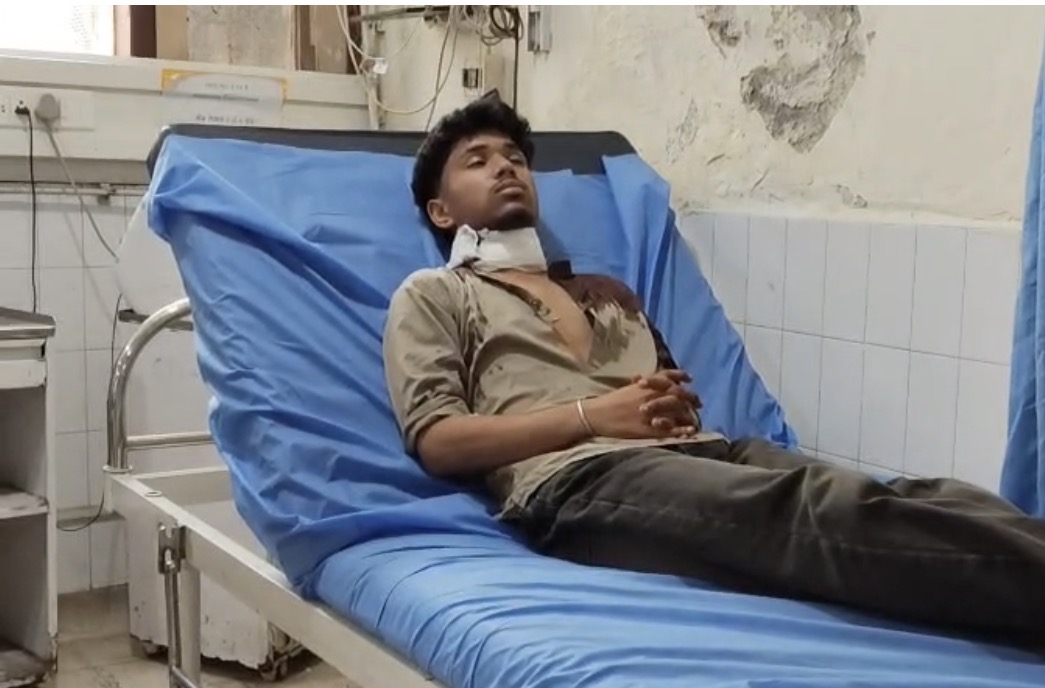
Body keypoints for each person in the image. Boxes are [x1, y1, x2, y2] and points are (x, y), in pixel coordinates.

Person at [382, 96, 1045, 638]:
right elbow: (438, 440)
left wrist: (665, 406)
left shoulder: (607, 292)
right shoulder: (435, 293)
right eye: (478, 161)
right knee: (814, 511)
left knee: (910, 494)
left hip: (703, 453)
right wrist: (593, 415)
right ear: (441, 211)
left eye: (515, 158)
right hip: (580, 482)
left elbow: (666, 395)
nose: (506, 168)